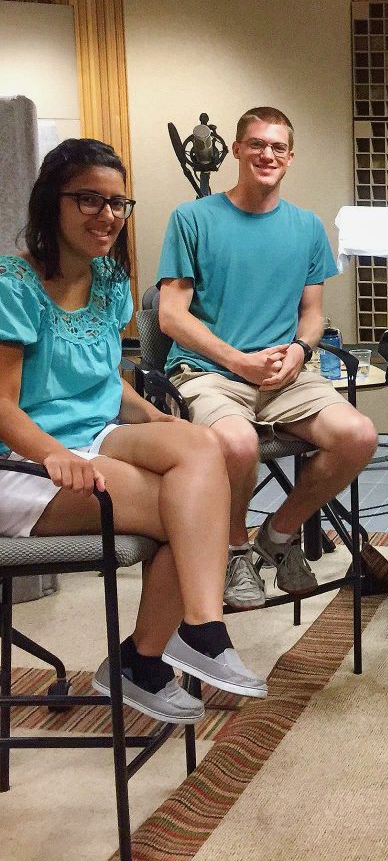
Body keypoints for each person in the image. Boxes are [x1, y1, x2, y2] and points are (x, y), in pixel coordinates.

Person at [0, 138, 267, 724]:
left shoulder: (109, 280)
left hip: (95, 436)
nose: (109, 216)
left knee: (203, 447)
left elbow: (105, 377)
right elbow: (2, 405)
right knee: (188, 511)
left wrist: (157, 419)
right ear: (52, 202)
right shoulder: (12, 283)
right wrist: (52, 455)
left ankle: (188, 634)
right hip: (22, 463)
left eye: (119, 203)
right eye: (90, 200)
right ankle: (150, 656)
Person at [157, 106, 377, 609]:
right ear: (236, 149)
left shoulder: (305, 226)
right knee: (237, 445)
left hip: (284, 375)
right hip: (211, 373)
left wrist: (301, 351)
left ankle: (277, 536)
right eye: (256, 144)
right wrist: (238, 361)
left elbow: (313, 315)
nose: (267, 154)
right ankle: (235, 549)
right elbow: (171, 316)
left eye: (277, 147)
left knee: (359, 436)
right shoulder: (192, 218)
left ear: (290, 157)